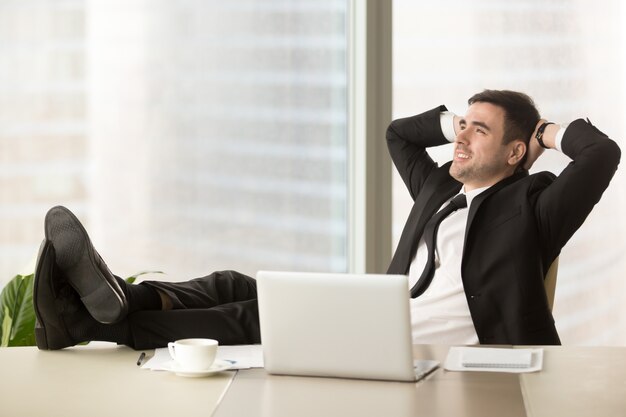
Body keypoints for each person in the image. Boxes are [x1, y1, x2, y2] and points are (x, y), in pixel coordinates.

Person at [33, 89, 620, 351]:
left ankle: (92, 327)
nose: (461, 136)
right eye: (462, 125)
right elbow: (399, 134)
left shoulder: (534, 208)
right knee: (233, 285)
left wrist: (542, 133)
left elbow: (603, 154)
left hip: (410, 346)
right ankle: (118, 300)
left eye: (479, 130)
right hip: (378, 316)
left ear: (516, 154)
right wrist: (461, 126)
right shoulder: (439, 185)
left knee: (247, 318)